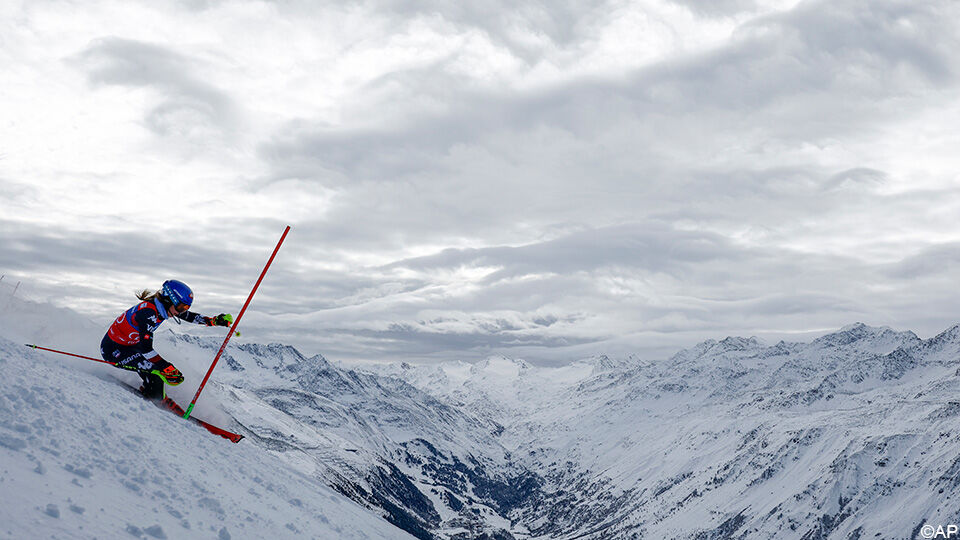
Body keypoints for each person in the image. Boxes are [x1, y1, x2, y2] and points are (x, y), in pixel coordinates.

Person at [100, 279, 232, 400]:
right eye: (181, 307)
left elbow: (189, 316)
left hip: (131, 346)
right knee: (158, 373)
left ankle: (150, 392)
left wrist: (213, 321)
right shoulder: (148, 313)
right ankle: (155, 404)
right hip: (114, 351)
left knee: (156, 370)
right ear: (169, 299)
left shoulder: (162, 308)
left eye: (186, 307)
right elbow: (146, 349)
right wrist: (166, 367)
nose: (181, 312)